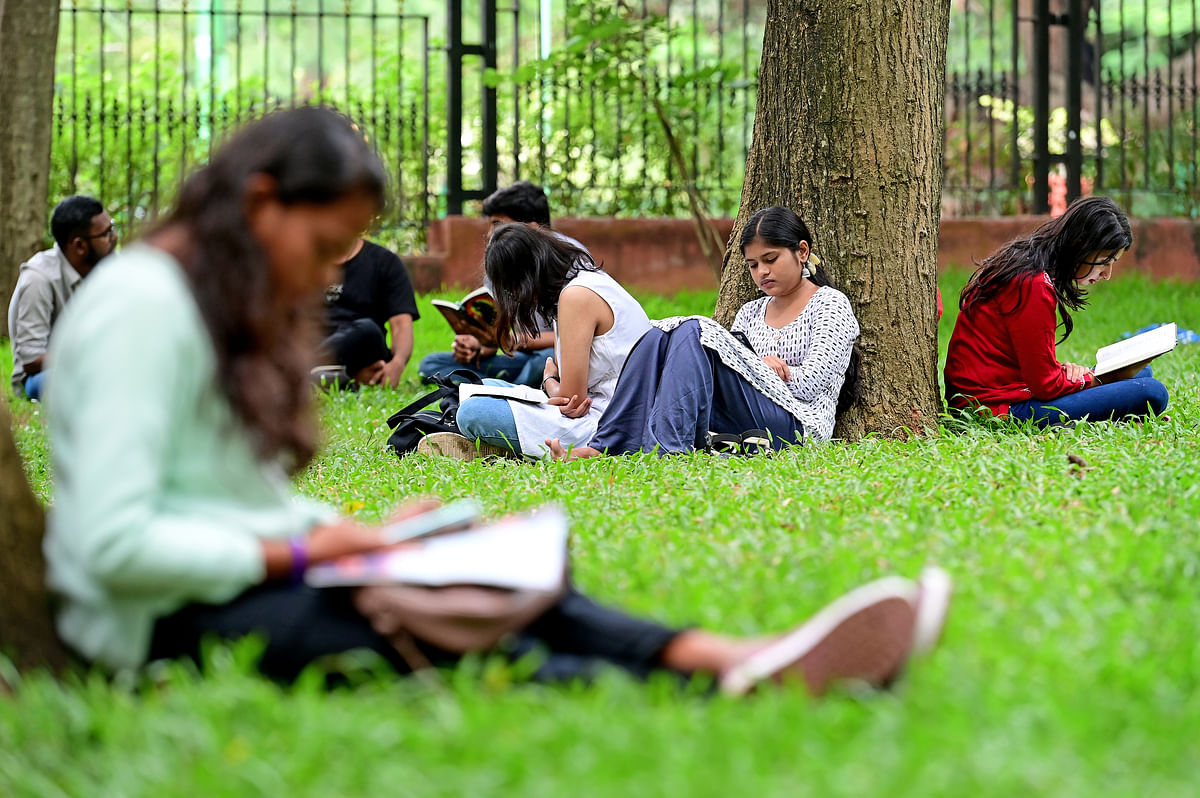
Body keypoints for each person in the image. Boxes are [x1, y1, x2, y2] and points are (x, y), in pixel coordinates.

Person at [42, 107, 949, 693]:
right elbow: (113, 543)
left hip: (250, 569)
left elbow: (228, 498)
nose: (326, 273)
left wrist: (356, 534)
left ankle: (728, 656)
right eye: (323, 245)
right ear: (261, 201)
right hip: (161, 623)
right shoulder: (140, 309)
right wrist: (307, 546)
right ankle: (716, 681)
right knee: (448, 638)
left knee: (488, 567)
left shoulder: (205, 306)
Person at [548, 206, 861, 460]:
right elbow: (731, 376)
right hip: (744, 417)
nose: (762, 272)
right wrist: (757, 367)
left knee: (694, 331)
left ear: (802, 252)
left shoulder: (829, 304)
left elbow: (811, 384)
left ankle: (667, 453)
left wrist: (767, 369)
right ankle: (604, 447)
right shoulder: (751, 311)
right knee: (658, 337)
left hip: (797, 424)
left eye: (770, 259)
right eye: (753, 265)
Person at [428, 224, 652, 459]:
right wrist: (556, 385)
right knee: (482, 387)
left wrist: (548, 380)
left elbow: (571, 401)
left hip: (606, 425)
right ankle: (502, 446)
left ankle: (502, 448)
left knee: (472, 412)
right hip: (599, 408)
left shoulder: (576, 297)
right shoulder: (583, 284)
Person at [943, 196, 1168, 426]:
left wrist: (1070, 373)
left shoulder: (1029, 264)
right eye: (1103, 261)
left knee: (1141, 373)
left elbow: (1037, 369)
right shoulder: (1033, 283)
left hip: (1008, 391)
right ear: (1080, 246)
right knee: (1152, 392)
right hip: (994, 408)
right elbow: (1046, 385)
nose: (1107, 274)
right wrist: (1090, 379)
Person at [417, 181, 575, 387]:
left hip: (558, 356)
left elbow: (578, 338)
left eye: (498, 224)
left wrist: (519, 340)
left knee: (545, 361)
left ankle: (498, 389)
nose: (490, 233)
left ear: (531, 229)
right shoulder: (501, 256)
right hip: (518, 359)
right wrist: (476, 344)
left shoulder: (566, 258)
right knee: (432, 363)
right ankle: (507, 387)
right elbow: (496, 336)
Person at [7, 195, 117, 401]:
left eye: (112, 227)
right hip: (43, 376)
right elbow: (31, 360)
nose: (114, 237)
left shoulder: (107, 268)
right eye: (106, 233)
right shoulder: (39, 278)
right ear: (79, 246)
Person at [317, 236, 418, 387]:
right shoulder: (300, 260)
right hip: (312, 342)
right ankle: (332, 376)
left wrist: (397, 363)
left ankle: (308, 372)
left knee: (368, 329)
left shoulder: (385, 261)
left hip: (362, 348)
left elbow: (401, 324)